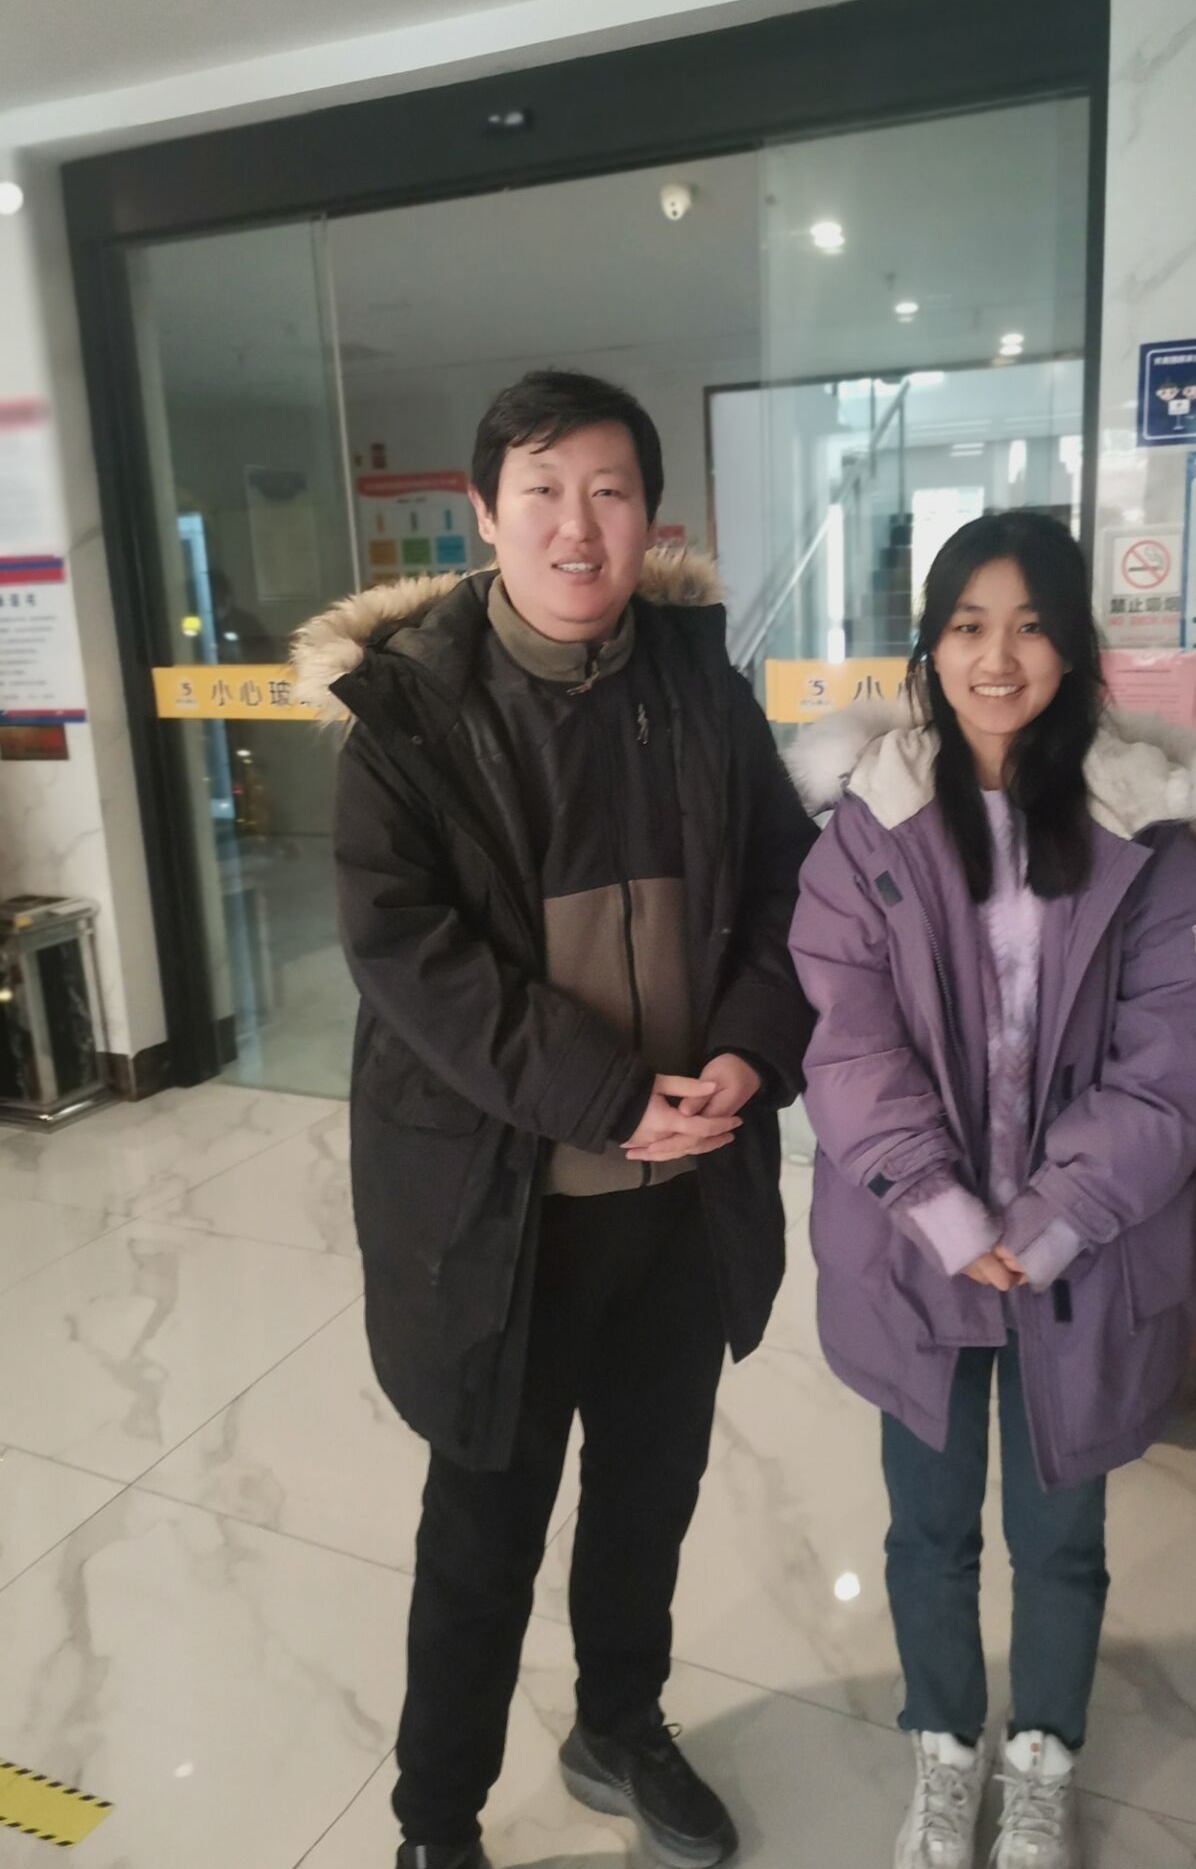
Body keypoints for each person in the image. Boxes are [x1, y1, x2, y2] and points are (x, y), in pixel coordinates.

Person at [290, 369, 816, 1869]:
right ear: (484, 514)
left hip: (680, 1198)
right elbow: (409, 956)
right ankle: (435, 1820)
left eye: (608, 491)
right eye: (542, 491)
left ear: (651, 517)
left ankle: (619, 1724)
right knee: (483, 1533)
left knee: (649, 1497)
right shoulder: (409, 712)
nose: (576, 526)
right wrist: (606, 1096)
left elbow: (788, 888)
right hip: (502, 1212)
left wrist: (749, 1048)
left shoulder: (702, 691)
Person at [786, 510, 1196, 1869]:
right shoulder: (866, 828)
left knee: (1061, 1536)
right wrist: (945, 1210)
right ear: (930, 645)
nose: (997, 658)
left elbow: (1173, 1064)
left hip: (1086, 1258)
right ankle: (946, 1751)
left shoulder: (1151, 836)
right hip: (917, 1249)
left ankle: (1042, 1759)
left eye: (1032, 626)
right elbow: (848, 1043)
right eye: (967, 625)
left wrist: (1049, 1221)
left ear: (1074, 648)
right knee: (928, 1529)